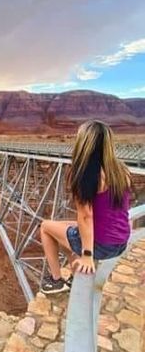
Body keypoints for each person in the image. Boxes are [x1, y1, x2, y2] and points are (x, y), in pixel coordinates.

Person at [40, 120, 131, 295]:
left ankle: (57, 281)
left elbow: (85, 216)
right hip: (121, 242)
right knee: (67, 227)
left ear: (83, 143)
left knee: (45, 227)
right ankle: (76, 267)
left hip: (102, 246)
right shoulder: (121, 170)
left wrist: (88, 255)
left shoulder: (84, 173)